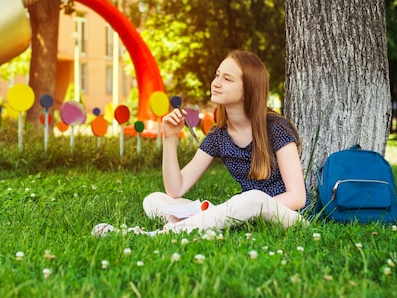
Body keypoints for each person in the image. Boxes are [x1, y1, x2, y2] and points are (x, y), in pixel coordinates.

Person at [93, 50, 308, 237]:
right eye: (217, 75)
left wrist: (241, 210)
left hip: (287, 217)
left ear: (249, 89)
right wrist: (169, 138)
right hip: (240, 212)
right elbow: (176, 189)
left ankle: (156, 235)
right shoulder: (219, 135)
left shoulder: (275, 127)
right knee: (153, 200)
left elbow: (297, 197)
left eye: (227, 78)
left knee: (252, 199)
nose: (216, 82)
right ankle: (201, 224)